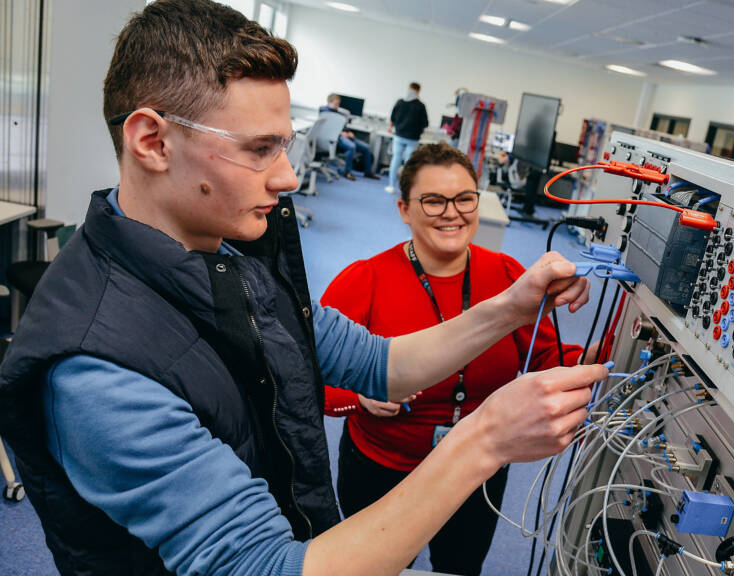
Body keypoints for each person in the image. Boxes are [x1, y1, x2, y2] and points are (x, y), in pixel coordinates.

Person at [0, 2, 605, 575]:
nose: (288, 176)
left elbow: (383, 363)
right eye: (260, 149)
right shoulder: (94, 368)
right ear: (153, 142)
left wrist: (512, 305)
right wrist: (483, 441)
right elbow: (267, 567)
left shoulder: (228, 261)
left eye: (282, 145)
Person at [322, 143, 595, 575]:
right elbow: (307, 380)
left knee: (461, 567)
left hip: (477, 470)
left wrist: (611, 343)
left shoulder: (508, 276)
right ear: (404, 209)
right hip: (384, 470)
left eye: (465, 198)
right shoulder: (364, 279)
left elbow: (547, 357)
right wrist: (360, 397)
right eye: (433, 200)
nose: (452, 212)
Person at [320, 93, 380, 181]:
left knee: (366, 148)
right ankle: (347, 172)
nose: (337, 106)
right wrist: (341, 133)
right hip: (337, 137)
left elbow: (344, 125)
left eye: (338, 104)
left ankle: (368, 172)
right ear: (329, 102)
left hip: (347, 135)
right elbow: (328, 128)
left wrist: (349, 132)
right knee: (352, 147)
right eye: (335, 104)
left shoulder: (338, 112)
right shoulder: (324, 111)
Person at [386, 81, 429, 194]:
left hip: (399, 136)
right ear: (418, 91)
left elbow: (392, 118)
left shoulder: (400, 102)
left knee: (396, 159)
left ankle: (391, 185)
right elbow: (425, 123)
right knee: (409, 163)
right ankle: (405, 190)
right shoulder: (420, 106)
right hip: (412, 138)